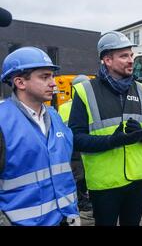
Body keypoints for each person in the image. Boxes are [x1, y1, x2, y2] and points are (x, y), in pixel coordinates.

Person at [68, 31, 142, 226]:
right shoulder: (86, 91)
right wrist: (113, 141)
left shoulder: (140, 89)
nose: (130, 60)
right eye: (124, 56)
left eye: (131, 55)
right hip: (105, 185)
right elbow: (76, 138)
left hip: (138, 180)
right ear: (107, 60)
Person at [0, 47, 79, 226]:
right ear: (20, 82)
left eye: (52, 76)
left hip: (65, 219)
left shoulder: (55, 117)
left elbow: (67, 171)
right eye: (44, 77)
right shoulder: (2, 122)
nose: (53, 83)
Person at [58, 74, 92, 212]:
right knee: (81, 175)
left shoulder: (63, 106)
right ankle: (82, 201)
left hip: (71, 146)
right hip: (81, 146)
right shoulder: (87, 105)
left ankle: (80, 199)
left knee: (77, 175)